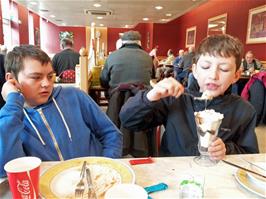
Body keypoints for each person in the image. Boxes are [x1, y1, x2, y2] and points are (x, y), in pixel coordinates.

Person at [120, 34, 258, 159]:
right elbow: (128, 120)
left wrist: (227, 149)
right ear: (195, 71)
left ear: (236, 75)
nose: (213, 75)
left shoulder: (244, 110)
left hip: (217, 176)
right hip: (174, 172)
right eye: (205, 67)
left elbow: (250, 156)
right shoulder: (177, 99)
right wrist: (150, 96)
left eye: (224, 69)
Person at [0, 45, 122, 177]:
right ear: (11, 79)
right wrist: (13, 103)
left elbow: (111, 134)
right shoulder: (10, 117)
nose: (46, 83)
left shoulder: (75, 96)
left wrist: (106, 168)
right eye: (36, 77)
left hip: (94, 180)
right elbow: (5, 170)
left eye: (50, 76)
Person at [100, 31, 155, 157]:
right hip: (141, 101)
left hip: (116, 103)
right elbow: (152, 76)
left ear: (122, 43)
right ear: (139, 42)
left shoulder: (112, 56)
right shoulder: (147, 57)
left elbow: (103, 80)